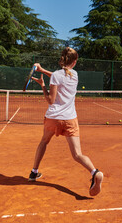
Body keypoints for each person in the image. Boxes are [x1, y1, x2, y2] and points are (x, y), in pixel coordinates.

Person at [28, 47, 103, 197]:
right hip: (70, 119)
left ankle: (33, 172)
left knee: (44, 142)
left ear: (62, 59)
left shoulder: (56, 75)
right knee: (77, 154)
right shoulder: (75, 75)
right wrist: (42, 70)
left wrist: (42, 85)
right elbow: (58, 77)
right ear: (74, 62)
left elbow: (51, 100)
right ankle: (95, 172)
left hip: (53, 118)